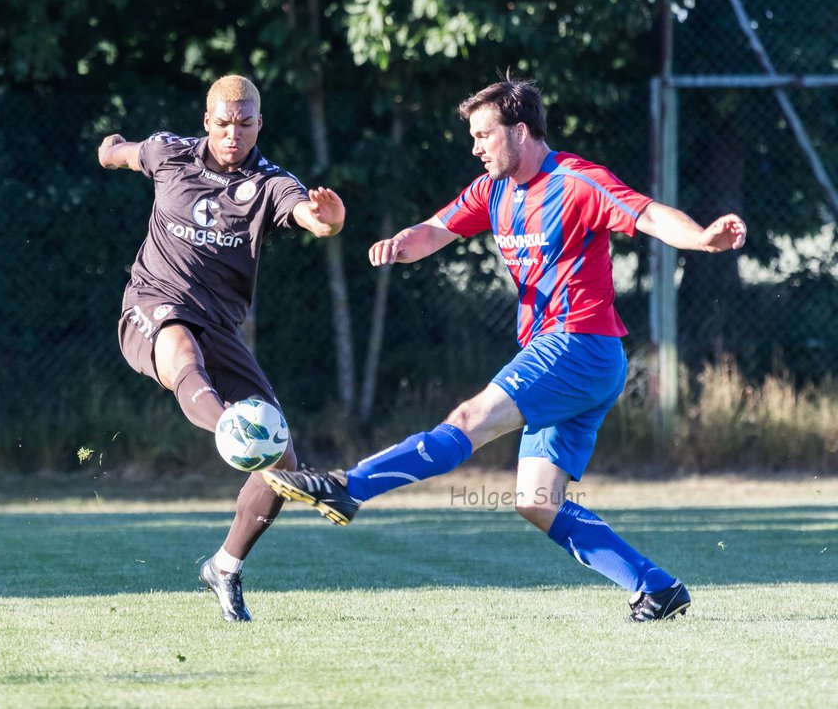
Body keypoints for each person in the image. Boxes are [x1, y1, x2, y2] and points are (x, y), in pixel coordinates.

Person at [263, 75, 747, 622]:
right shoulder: (491, 190)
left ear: (520, 130)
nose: (475, 147)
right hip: (572, 358)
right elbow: (436, 230)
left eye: (483, 135)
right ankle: (655, 588)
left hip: (578, 344)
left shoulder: (577, 180)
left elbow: (651, 215)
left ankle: (349, 486)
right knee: (536, 502)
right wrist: (402, 245)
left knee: (470, 418)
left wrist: (703, 238)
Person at [98, 75, 345, 622]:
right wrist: (110, 149)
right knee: (180, 351)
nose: (234, 134)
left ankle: (225, 567)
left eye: (246, 124)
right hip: (153, 304)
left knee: (282, 461)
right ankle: (228, 428)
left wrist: (326, 221)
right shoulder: (169, 154)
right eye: (224, 123)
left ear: (260, 124)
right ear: (207, 121)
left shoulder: (270, 183)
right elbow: (121, 152)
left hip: (221, 326)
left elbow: (306, 213)